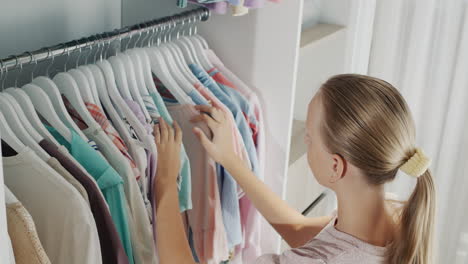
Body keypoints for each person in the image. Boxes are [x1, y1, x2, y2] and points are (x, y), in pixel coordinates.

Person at [152, 74, 436, 264]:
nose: (305, 140)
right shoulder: (397, 216)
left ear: (335, 166)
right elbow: (300, 229)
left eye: (310, 137)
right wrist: (232, 161)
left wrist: (166, 180)